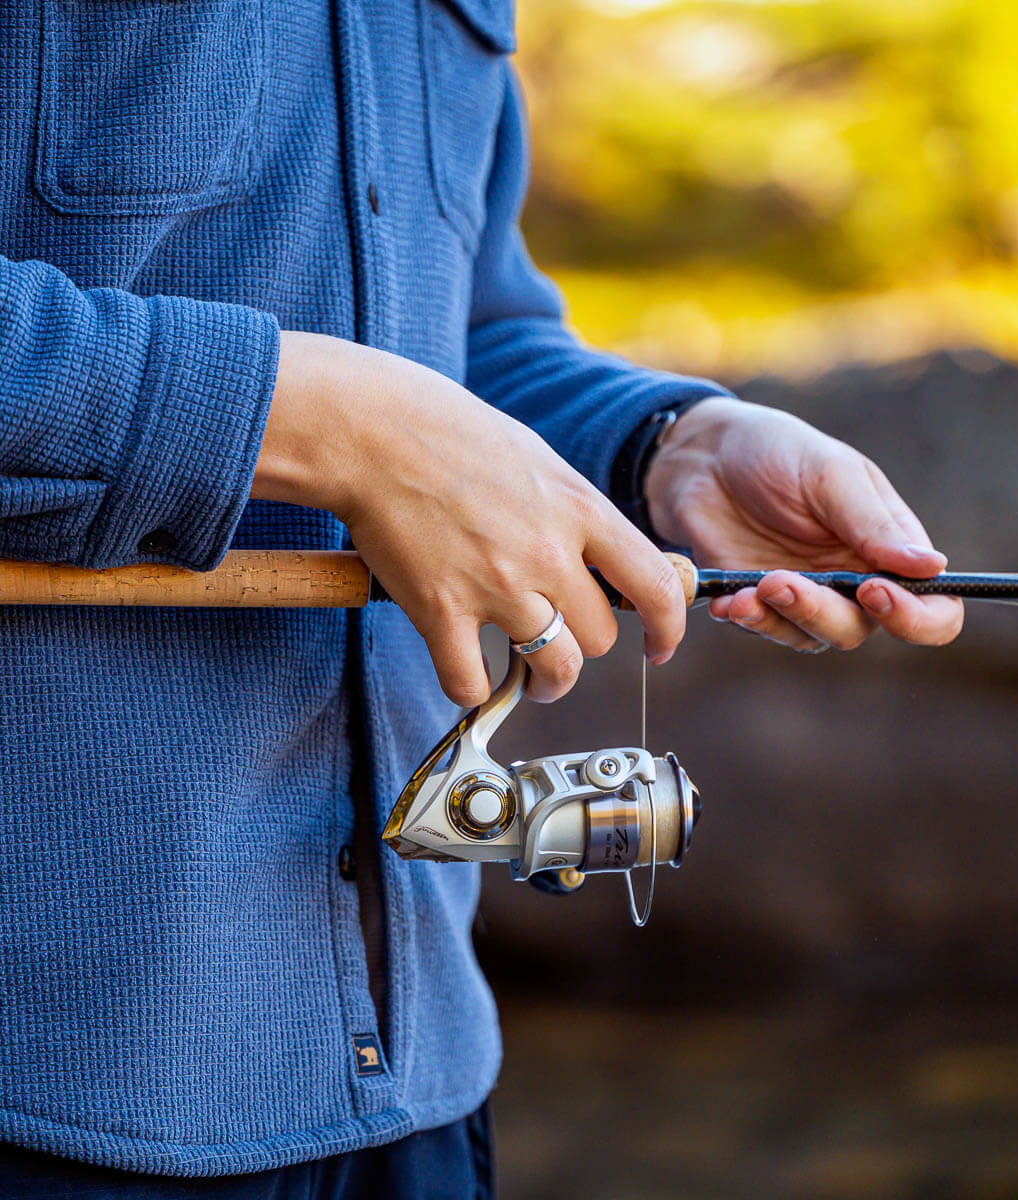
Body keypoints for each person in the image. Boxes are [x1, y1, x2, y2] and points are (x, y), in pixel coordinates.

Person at [0, 2, 962, 1196]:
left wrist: (665, 449)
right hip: (50, 1089)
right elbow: (374, 409)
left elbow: (468, 335)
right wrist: (313, 422)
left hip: (424, 1093)